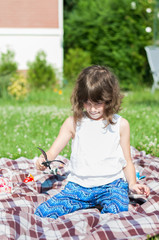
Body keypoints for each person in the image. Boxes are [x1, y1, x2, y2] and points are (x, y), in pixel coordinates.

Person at [34, 65, 150, 219]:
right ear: (80, 100)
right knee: (43, 213)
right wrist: (43, 160)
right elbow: (52, 152)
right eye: (87, 103)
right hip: (78, 187)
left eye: (98, 104)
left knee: (117, 211)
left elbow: (127, 161)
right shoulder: (73, 123)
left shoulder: (121, 125)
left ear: (109, 100)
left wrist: (133, 184)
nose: (93, 109)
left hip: (111, 186)